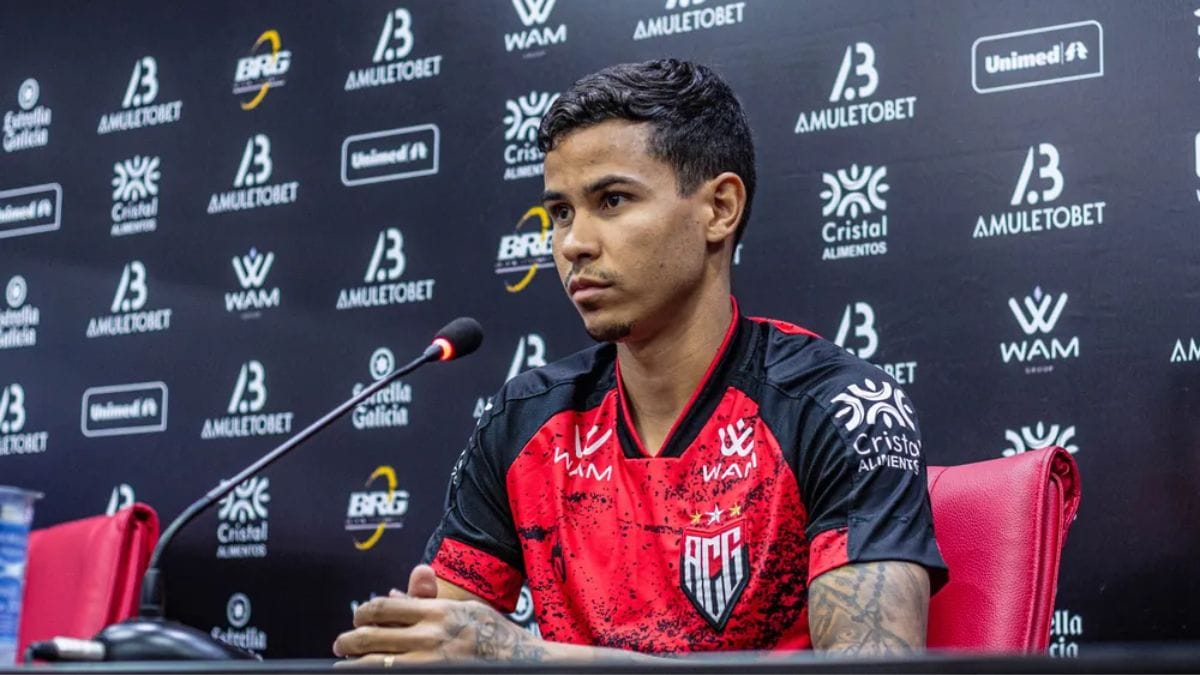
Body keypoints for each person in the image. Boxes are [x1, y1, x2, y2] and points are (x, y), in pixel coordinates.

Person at [334, 58, 947, 665]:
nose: (574, 243)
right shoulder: (525, 421)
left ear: (720, 208)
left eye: (613, 200)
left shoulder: (842, 409)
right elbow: (449, 640)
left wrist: (522, 657)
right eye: (561, 213)